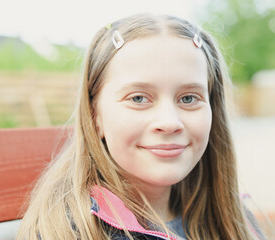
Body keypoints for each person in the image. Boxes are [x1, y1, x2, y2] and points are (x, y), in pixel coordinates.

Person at [16, 13, 264, 239]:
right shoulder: (70, 232)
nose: (169, 122)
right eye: (138, 98)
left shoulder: (231, 219)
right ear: (94, 116)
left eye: (188, 98)